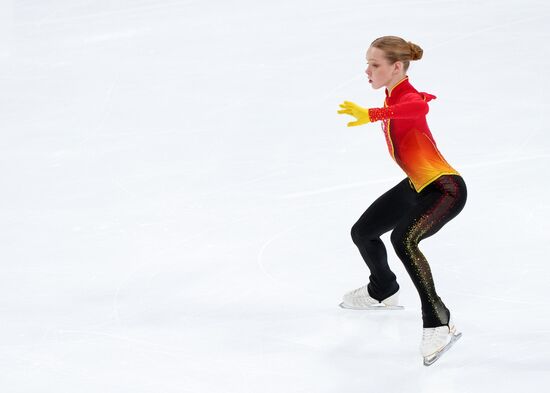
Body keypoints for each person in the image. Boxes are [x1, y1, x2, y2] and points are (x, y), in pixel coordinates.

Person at [337, 36, 467, 366]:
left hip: (445, 189)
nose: (367, 70)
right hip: (417, 185)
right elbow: (413, 103)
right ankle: (382, 289)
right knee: (363, 232)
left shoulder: (403, 98)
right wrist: (395, 104)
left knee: (403, 240)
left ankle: (439, 320)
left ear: (396, 67)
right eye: (367, 63)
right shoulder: (396, 94)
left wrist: (373, 114)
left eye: (375, 64)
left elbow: (417, 107)